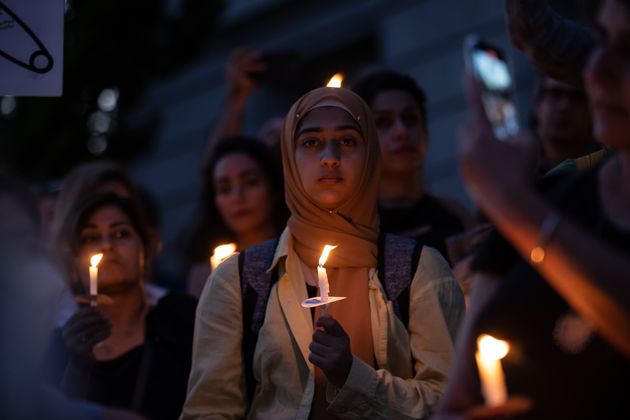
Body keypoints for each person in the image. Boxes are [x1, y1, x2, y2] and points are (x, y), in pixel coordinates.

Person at [181, 87, 464, 419]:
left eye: (347, 141)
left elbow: (451, 399)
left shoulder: (419, 269)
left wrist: (352, 376)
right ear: (289, 157)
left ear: (370, 155)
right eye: (311, 143)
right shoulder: (237, 281)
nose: (330, 157)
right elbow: (210, 410)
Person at [436, 1, 630, 417]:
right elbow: (453, 405)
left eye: (628, 49)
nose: (597, 70)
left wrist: (513, 204)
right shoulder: (556, 196)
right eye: (599, 40)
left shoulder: (525, 209)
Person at [45, 193, 197, 420]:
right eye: (91, 238)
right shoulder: (58, 348)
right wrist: (77, 367)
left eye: (120, 233)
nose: (107, 246)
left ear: (145, 249)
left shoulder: (184, 318)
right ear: (74, 263)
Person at [351, 70, 474, 262]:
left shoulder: (453, 212)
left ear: (425, 129)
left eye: (410, 118)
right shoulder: (353, 227)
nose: (401, 131)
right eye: (383, 122)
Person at [183, 136, 289, 297]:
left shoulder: (300, 251)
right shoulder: (205, 273)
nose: (237, 197)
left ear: (274, 188)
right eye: (224, 189)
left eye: (251, 182)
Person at [532, 75, 598, 174]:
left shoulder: (610, 175)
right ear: (537, 105)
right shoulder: (518, 169)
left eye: (577, 97)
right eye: (556, 93)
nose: (564, 106)